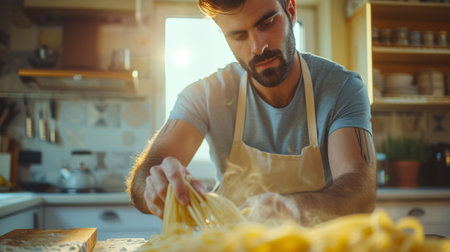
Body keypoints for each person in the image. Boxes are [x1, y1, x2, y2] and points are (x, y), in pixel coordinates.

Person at [126, 0, 376, 227]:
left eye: (267, 23)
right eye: (238, 35)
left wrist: (291, 207)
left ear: (290, 10)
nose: (258, 47)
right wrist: (155, 187)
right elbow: (144, 177)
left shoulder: (342, 88)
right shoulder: (205, 95)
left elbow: (359, 192)